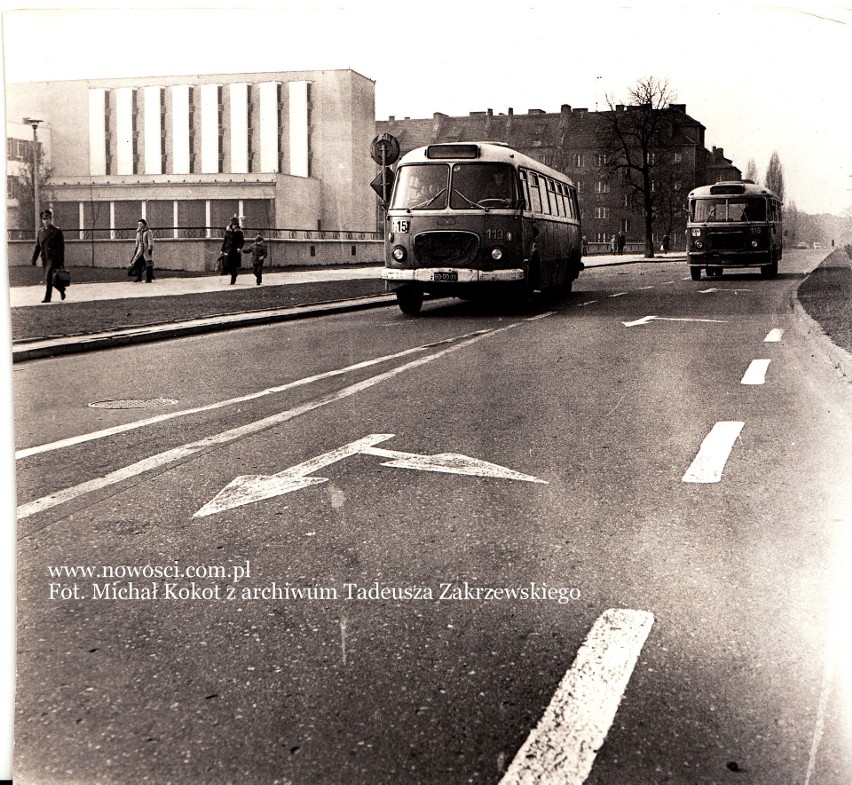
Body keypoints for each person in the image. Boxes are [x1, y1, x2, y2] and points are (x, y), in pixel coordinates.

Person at [31, 209, 67, 303]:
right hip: (45, 258)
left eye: (47, 218)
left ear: (50, 219)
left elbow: (61, 248)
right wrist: (34, 259)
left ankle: (47, 298)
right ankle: (61, 289)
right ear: (42, 220)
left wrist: (61, 262)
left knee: (49, 278)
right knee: (51, 279)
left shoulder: (56, 231)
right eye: (44, 219)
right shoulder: (40, 231)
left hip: (54, 258)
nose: (45, 221)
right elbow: (38, 246)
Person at [221, 216, 245, 285]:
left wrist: (239, 248)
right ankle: (234, 273)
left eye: (236, 225)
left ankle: (233, 279)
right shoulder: (227, 230)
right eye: (234, 225)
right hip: (227, 249)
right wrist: (222, 250)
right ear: (231, 224)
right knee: (227, 264)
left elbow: (242, 241)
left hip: (235, 251)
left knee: (233, 265)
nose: (235, 226)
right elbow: (225, 240)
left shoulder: (239, 231)